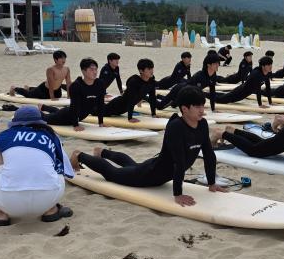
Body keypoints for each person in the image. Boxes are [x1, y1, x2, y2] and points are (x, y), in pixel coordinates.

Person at [71, 86, 226, 207]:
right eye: (197, 106)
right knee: (113, 174)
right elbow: (178, 162)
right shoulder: (176, 127)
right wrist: (177, 194)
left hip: (159, 173)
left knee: (131, 166)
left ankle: (102, 152)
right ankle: (79, 156)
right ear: (184, 109)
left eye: (203, 106)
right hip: (150, 175)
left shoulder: (202, 124)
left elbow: (208, 154)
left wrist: (211, 183)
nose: (202, 110)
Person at [0, 106, 74, 226]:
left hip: (8, 202)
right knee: (52, 161)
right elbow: (63, 166)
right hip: (47, 199)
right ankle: (51, 209)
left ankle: (0, 212)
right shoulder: (50, 135)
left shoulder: (4, 135)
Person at [40, 58, 106, 130]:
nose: (95, 72)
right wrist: (75, 125)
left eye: (96, 69)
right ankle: (37, 110)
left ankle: (44, 107)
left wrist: (101, 123)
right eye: (91, 69)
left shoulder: (100, 84)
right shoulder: (76, 86)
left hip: (78, 115)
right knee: (44, 118)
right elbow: (75, 106)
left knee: (59, 112)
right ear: (83, 71)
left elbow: (101, 104)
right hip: (66, 117)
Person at [156, 54, 226, 111]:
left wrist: (213, 109)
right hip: (179, 90)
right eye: (215, 63)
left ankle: (160, 96)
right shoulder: (199, 76)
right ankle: (147, 97)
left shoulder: (213, 75)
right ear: (208, 65)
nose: (218, 65)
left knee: (174, 105)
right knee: (160, 107)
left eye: (218, 63)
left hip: (186, 94)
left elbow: (212, 92)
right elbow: (193, 95)